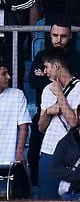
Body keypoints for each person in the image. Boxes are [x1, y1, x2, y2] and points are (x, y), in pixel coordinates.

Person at [38, 50, 80, 199]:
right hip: (48, 150)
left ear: (56, 66)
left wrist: (60, 95)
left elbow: (74, 122)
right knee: (46, 197)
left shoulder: (78, 88)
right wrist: (48, 111)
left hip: (71, 155)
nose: (45, 72)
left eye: (46, 67)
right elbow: (41, 127)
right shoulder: (46, 90)